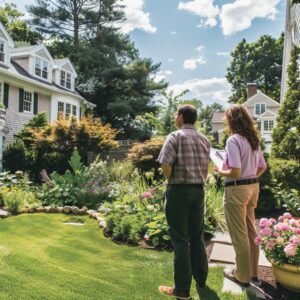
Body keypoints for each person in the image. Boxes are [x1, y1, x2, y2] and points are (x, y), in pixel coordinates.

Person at [157, 104, 211, 300]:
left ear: (180, 117)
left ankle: (181, 290)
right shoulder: (204, 140)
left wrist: (170, 179)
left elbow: (165, 163)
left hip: (179, 191)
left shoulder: (175, 136)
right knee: (197, 236)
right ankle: (201, 280)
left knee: (180, 240)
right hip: (198, 191)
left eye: (175, 115)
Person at [214, 104, 267, 288]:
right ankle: (254, 274)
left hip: (237, 190)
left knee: (239, 234)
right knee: (252, 231)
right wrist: (250, 178)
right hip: (253, 187)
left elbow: (235, 172)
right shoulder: (253, 140)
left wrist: (220, 170)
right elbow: (263, 167)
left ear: (231, 120)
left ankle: (242, 276)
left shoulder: (233, 140)